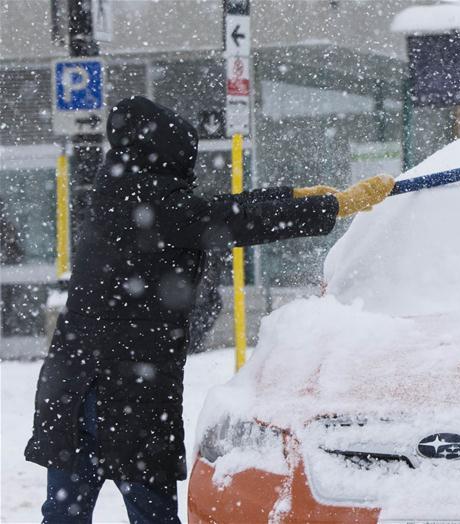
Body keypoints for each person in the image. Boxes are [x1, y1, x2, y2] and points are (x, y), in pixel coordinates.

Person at [24, 96, 394, 523]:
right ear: (165, 155)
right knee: (152, 516)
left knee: (64, 514)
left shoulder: (117, 197)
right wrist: (332, 206)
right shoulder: (160, 208)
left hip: (71, 388)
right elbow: (235, 219)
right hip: (130, 392)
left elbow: (223, 209)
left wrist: (294, 195)